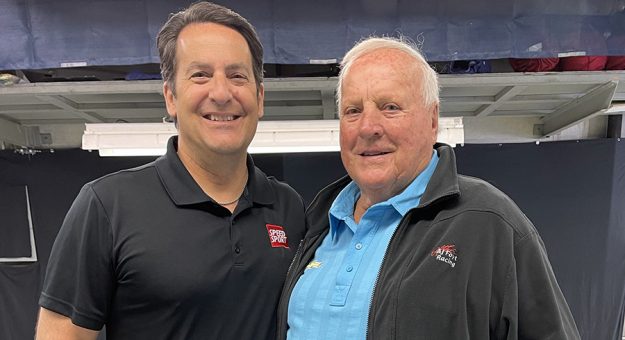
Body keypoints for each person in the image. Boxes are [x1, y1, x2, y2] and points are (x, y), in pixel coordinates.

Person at [276, 36, 580, 340]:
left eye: (390, 107)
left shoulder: (489, 223)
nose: (368, 127)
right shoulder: (317, 223)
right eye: (353, 110)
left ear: (432, 119)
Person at [35, 2, 306, 339]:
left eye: (237, 76)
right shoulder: (107, 206)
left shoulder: (287, 207)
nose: (221, 93)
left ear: (260, 97)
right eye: (200, 75)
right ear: (171, 97)